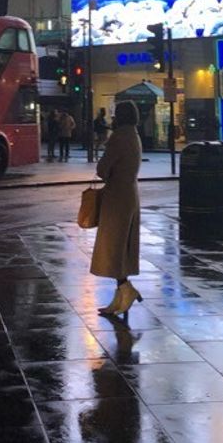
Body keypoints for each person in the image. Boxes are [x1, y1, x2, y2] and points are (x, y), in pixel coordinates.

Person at [91, 100, 143, 321]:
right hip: (131, 194)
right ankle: (120, 295)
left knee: (113, 247)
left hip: (116, 198)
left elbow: (103, 170)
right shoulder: (134, 135)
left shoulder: (118, 138)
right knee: (122, 247)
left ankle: (125, 290)